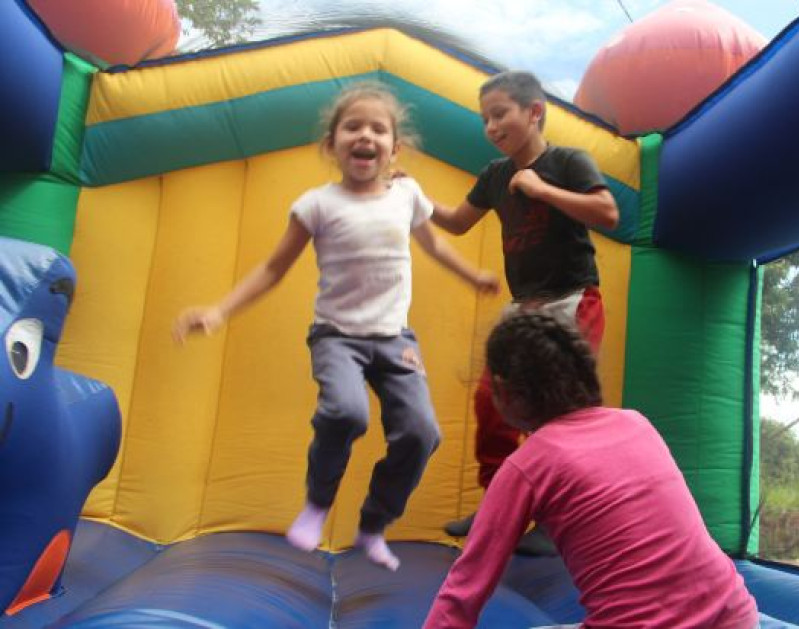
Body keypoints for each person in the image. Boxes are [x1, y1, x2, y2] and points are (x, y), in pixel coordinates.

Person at [173, 82, 499, 572]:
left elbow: (434, 246)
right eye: (353, 127)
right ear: (332, 144)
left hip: (394, 339)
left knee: (421, 432)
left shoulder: (406, 194)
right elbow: (273, 268)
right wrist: (219, 311)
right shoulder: (316, 205)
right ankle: (318, 502)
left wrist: (472, 276)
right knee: (346, 413)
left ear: (395, 148)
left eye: (378, 129)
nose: (365, 136)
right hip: (337, 337)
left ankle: (374, 523)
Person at [423, 312, 760, 629]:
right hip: (737, 616)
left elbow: (464, 591)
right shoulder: (636, 423)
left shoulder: (528, 465)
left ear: (502, 389)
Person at [432, 70, 619, 554]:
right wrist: (413, 200)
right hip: (524, 304)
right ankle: (500, 506)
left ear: (534, 111)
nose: (491, 127)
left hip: (572, 297)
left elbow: (608, 212)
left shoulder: (567, 161)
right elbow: (457, 221)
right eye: (485, 119)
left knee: (561, 410)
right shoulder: (495, 175)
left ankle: (557, 521)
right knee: (491, 399)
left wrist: (543, 190)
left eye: (500, 114)